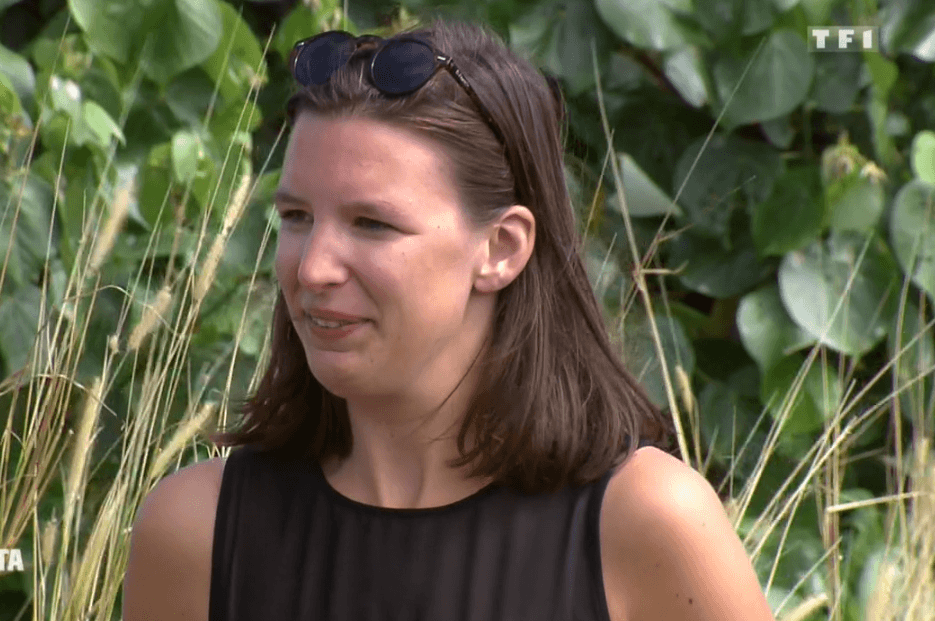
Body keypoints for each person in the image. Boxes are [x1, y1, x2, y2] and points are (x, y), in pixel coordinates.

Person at [123, 17, 776, 621]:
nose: (313, 266)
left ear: (501, 249)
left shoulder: (646, 523)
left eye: (371, 223)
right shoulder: (198, 530)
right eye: (296, 217)